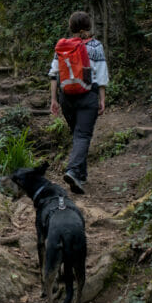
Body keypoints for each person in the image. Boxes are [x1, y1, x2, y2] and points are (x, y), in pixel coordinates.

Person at [49, 11, 109, 195]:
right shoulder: (96, 46)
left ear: (71, 27)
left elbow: (54, 74)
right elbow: (101, 75)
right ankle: (73, 170)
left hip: (66, 97)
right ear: (88, 26)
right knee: (82, 136)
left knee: (77, 134)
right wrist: (102, 98)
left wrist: (54, 99)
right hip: (87, 95)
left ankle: (80, 176)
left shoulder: (63, 46)